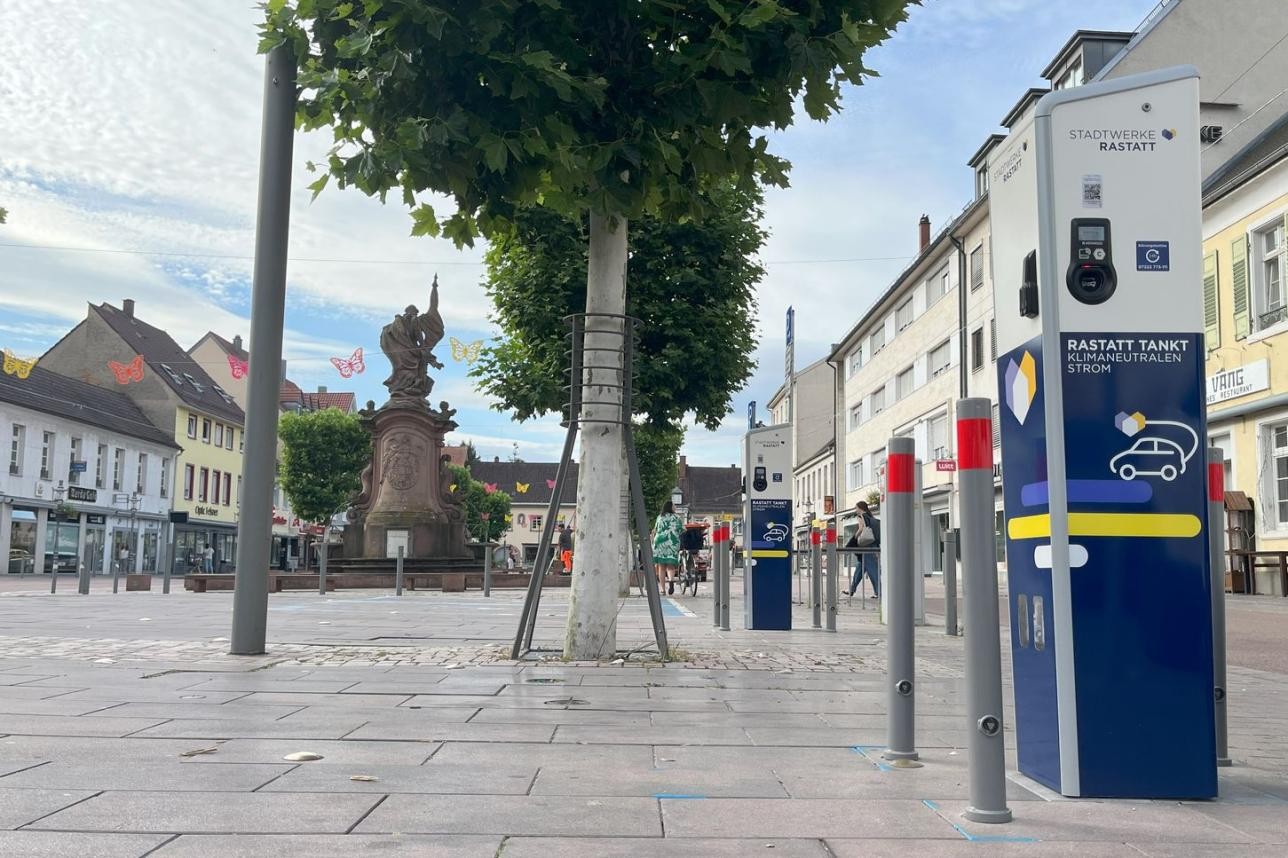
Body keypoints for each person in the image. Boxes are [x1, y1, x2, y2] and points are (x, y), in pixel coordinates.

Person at [844, 501, 881, 598]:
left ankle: (879, 592)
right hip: (871, 546)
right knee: (859, 569)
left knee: (873, 570)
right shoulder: (870, 517)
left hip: (867, 547)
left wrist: (854, 538)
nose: (855, 510)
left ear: (860, 508)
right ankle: (852, 589)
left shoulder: (861, 516)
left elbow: (861, 529)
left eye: (856, 508)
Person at [651, 501, 684, 595]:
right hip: (672, 542)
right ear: (670, 507)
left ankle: (662, 589)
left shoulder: (659, 517)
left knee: (661, 567)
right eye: (674, 506)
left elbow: (655, 529)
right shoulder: (677, 517)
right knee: (670, 565)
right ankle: (671, 581)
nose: (675, 507)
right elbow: (682, 529)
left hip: (660, 542)